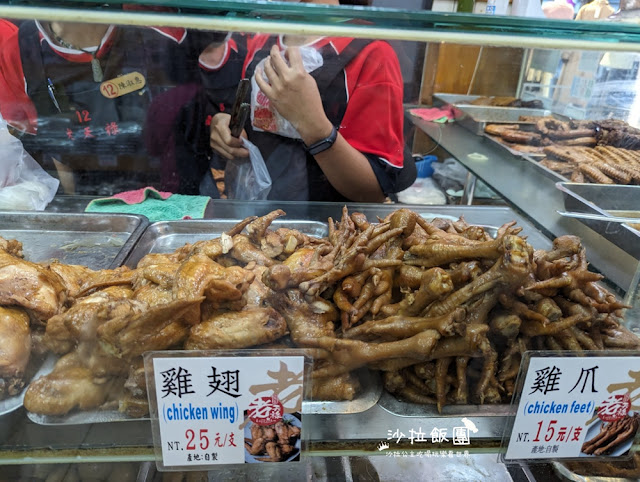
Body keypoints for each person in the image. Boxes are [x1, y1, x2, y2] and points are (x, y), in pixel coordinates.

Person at [203, 0, 415, 202]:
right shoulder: (261, 42)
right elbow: (249, 118)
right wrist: (226, 126)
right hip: (262, 216)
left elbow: (374, 191)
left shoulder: (372, 52)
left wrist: (313, 125)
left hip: (330, 229)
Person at [0, 12, 204, 195]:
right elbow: (44, 153)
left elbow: (193, 130)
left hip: (172, 201)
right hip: (89, 204)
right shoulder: (18, 51)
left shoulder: (160, 34)